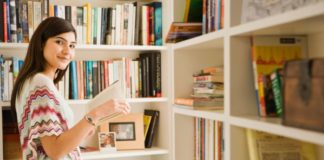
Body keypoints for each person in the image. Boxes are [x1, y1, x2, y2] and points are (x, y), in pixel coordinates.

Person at [10, 17, 131, 160]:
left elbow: (52, 142)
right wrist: (96, 114)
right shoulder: (40, 84)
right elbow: (54, 150)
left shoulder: (32, 81)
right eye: (59, 42)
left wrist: (85, 129)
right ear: (41, 43)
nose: (67, 51)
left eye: (72, 45)